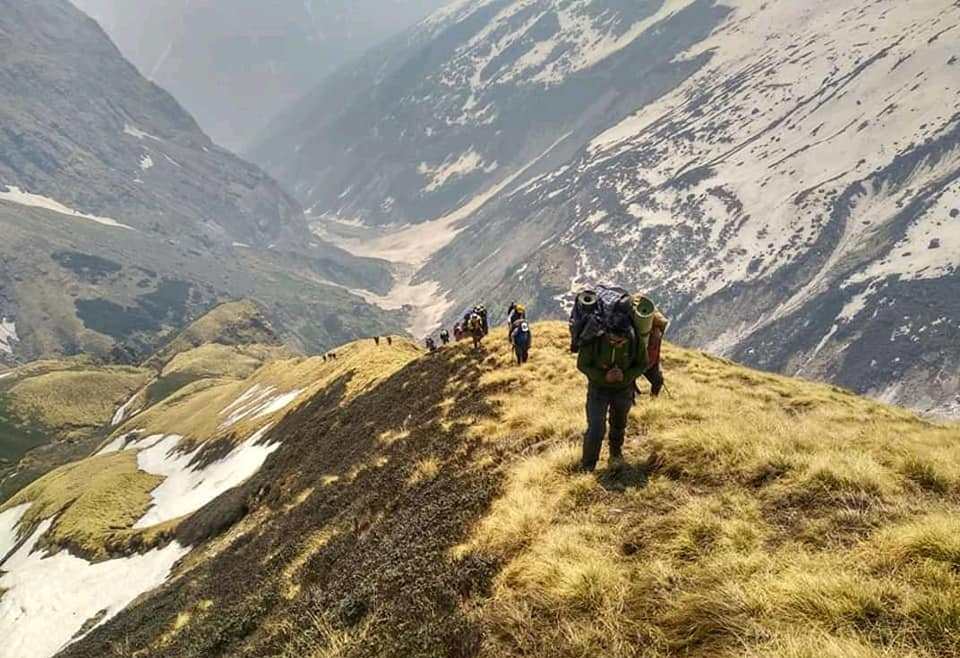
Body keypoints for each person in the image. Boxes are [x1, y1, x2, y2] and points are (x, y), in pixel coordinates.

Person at [576, 312, 646, 472]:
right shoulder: (594, 339)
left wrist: (625, 376)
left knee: (619, 424)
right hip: (597, 389)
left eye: (621, 342)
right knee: (595, 428)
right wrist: (603, 377)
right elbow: (582, 364)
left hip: (623, 389)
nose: (617, 344)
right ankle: (588, 466)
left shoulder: (635, 340)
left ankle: (615, 454)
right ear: (606, 333)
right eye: (612, 341)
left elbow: (643, 363)